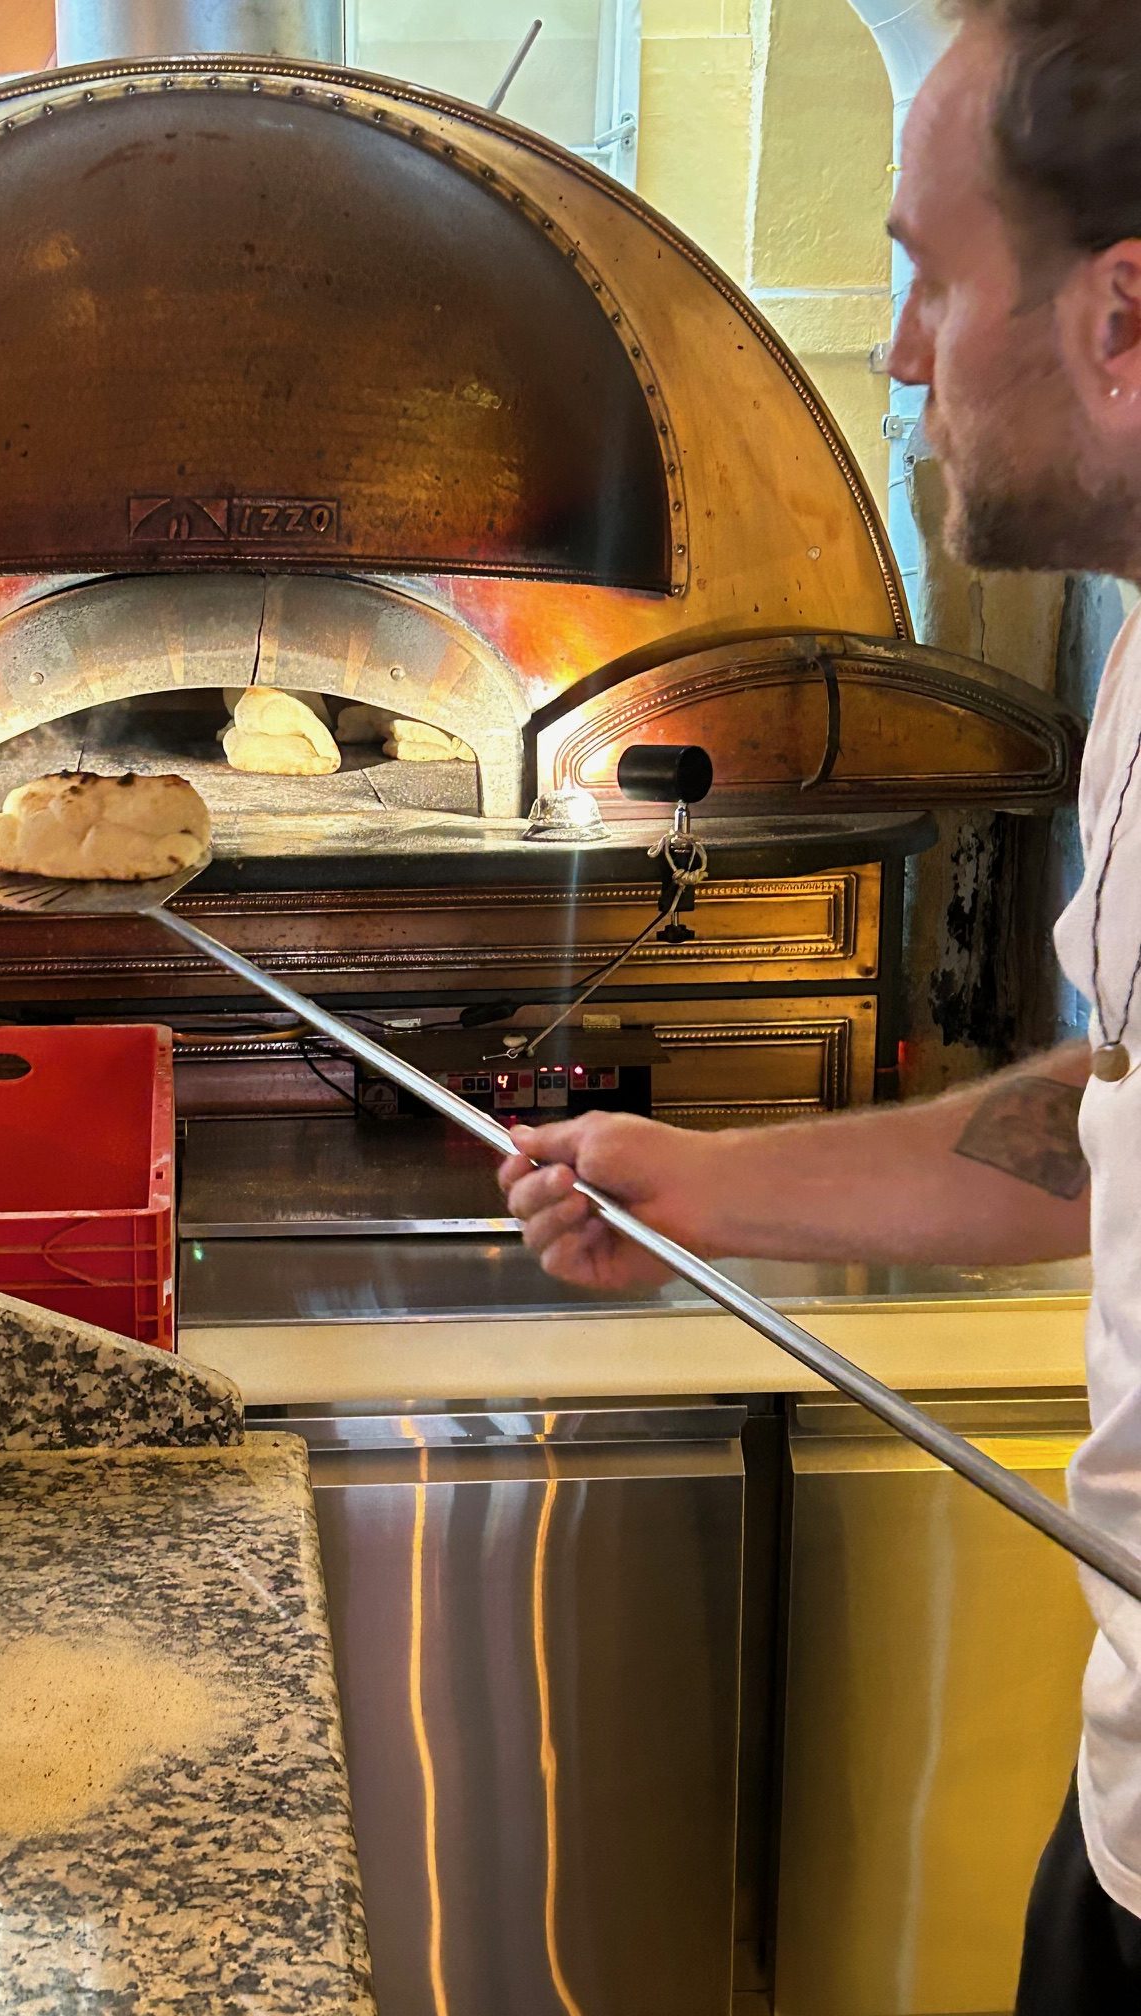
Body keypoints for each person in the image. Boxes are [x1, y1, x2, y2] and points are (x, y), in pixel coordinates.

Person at [500, 3, 1141, 2007]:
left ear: (1124, 323)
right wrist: (703, 1186)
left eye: (933, 276)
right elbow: (1095, 1128)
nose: (906, 350)